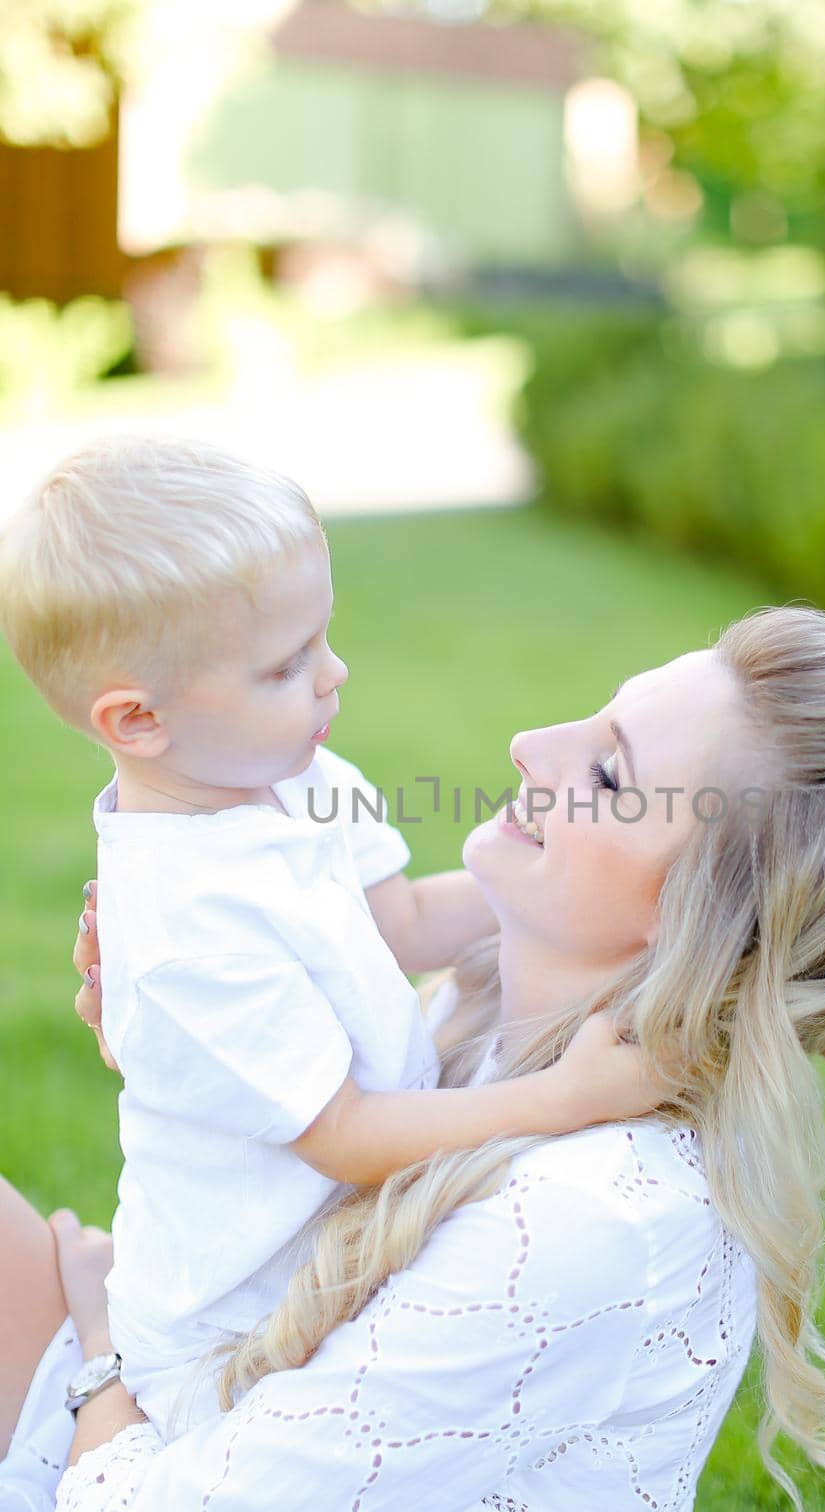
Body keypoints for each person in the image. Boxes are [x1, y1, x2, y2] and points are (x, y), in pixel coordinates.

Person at [0, 606, 825, 1512]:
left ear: (695, 916)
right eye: (594, 718)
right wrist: (195, 1051)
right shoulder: (481, 1021)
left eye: (606, 772)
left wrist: (101, 1355)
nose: (529, 747)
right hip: (207, 1433)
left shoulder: (588, 1217)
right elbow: (315, 1170)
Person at [0, 437, 652, 1442]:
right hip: (234, 1328)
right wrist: (560, 1099)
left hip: (339, 1255)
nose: (333, 674)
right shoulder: (186, 924)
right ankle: (101, 1378)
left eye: (323, 637)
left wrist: (581, 865)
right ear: (137, 721)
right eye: (286, 663)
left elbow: (404, 925)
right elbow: (343, 1136)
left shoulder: (298, 777)